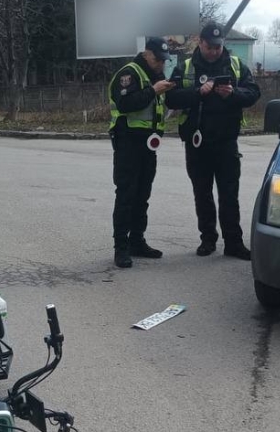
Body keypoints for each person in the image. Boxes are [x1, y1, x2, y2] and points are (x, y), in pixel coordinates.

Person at [165, 22, 261, 260]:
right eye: (211, 46)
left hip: (226, 142)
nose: (215, 51)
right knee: (202, 194)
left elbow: (253, 93)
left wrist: (233, 94)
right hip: (197, 143)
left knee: (229, 194)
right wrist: (198, 92)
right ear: (201, 42)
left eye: (219, 46)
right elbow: (171, 99)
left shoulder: (235, 65)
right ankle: (208, 240)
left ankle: (234, 243)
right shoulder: (186, 67)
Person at [107, 36, 174, 269]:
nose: (161, 64)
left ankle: (137, 241)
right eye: (157, 59)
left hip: (148, 146)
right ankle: (121, 248)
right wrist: (154, 90)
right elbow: (126, 104)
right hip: (128, 143)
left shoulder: (156, 76)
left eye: (164, 61)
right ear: (146, 54)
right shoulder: (129, 73)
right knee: (126, 195)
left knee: (142, 196)